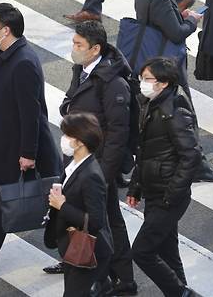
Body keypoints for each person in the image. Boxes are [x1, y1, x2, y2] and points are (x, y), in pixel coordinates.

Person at [42, 20, 138, 296]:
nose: (73, 49)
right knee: (81, 216)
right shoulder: (83, 70)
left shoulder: (112, 82)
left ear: (95, 48)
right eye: (74, 43)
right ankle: (79, 259)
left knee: (108, 221)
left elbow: (119, 133)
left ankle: (123, 278)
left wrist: (103, 173)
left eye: (78, 45)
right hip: (79, 161)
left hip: (96, 167)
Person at [0, 3, 62, 276]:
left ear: (5, 30)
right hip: (6, 143)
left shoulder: (22, 63)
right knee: (2, 198)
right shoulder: (6, 54)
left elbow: (31, 113)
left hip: (21, 148)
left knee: (51, 203)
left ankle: (78, 255)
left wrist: (28, 153)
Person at [135, 0, 213, 183]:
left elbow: (162, 23)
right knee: (186, 115)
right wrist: (190, 20)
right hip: (167, 65)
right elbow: (177, 34)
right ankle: (200, 167)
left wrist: (179, 15)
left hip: (152, 60)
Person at [127, 57, 201, 297]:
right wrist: (135, 188)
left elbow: (191, 156)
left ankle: (181, 293)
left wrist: (172, 194)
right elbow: (146, 151)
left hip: (167, 195)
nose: (142, 83)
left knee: (142, 251)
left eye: (148, 79)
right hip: (155, 190)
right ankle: (179, 291)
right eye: (142, 78)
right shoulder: (151, 104)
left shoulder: (174, 112)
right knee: (168, 250)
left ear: (164, 83)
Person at [44, 113, 114, 297]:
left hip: (87, 251)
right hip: (73, 247)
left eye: (68, 135)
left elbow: (96, 221)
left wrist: (62, 205)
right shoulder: (75, 165)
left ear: (80, 141)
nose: (63, 139)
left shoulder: (91, 175)